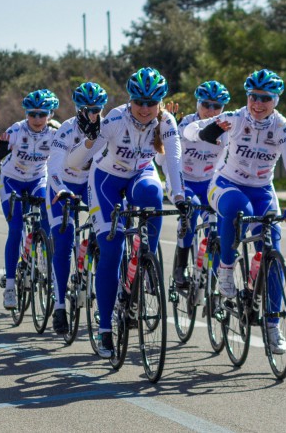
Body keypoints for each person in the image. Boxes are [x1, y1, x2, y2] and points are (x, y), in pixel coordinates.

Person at [182, 68, 286, 355]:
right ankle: (226, 269)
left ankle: (272, 327)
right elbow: (187, 131)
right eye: (253, 97)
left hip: (263, 190)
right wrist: (204, 131)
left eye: (265, 98)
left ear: (276, 100)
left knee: (273, 254)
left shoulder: (282, 127)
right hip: (225, 185)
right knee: (239, 207)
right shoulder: (234, 119)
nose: (258, 104)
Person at [66, 67, 185, 358]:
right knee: (111, 248)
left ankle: (145, 265)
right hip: (106, 180)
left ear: (159, 102)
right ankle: (105, 327)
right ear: (130, 99)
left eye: (151, 102)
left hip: (140, 176)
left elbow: (173, 160)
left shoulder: (165, 121)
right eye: (139, 101)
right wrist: (91, 141)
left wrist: (179, 196)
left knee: (152, 192)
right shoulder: (115, 119)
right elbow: (73, 163)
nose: (144, 108)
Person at [0, 89, 61, 310]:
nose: (37, 119)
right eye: (32, 114)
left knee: (46, 221)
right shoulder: (16, 131)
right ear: (26, 113)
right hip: (13, 181)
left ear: (50, 114)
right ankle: (10, 286)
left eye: (42, 114)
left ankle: (44, 259)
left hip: (38, 179)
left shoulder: (55, 134)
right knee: (16, 227)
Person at [46, 81, 107, 336]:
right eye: (90, 108)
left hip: (91, 183)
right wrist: (61, 189)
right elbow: (54, 168)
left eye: (99, 108)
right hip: (64, 184)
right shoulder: (66, 131)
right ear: (80, 109)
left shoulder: (107, 127)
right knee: (63, 242)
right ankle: (60, 305)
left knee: (106, 234)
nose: (95, 113)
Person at [166, 80, 230, 288]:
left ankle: (219, 276)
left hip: (210, 183)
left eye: (216, 106)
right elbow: (166, 159)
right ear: (197, 103)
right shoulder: (185, 125)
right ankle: (181, 265)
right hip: (187, 181)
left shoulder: (227, 128)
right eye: (206, 105)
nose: (210, 111)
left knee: (219, 225)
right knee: (190, 210)